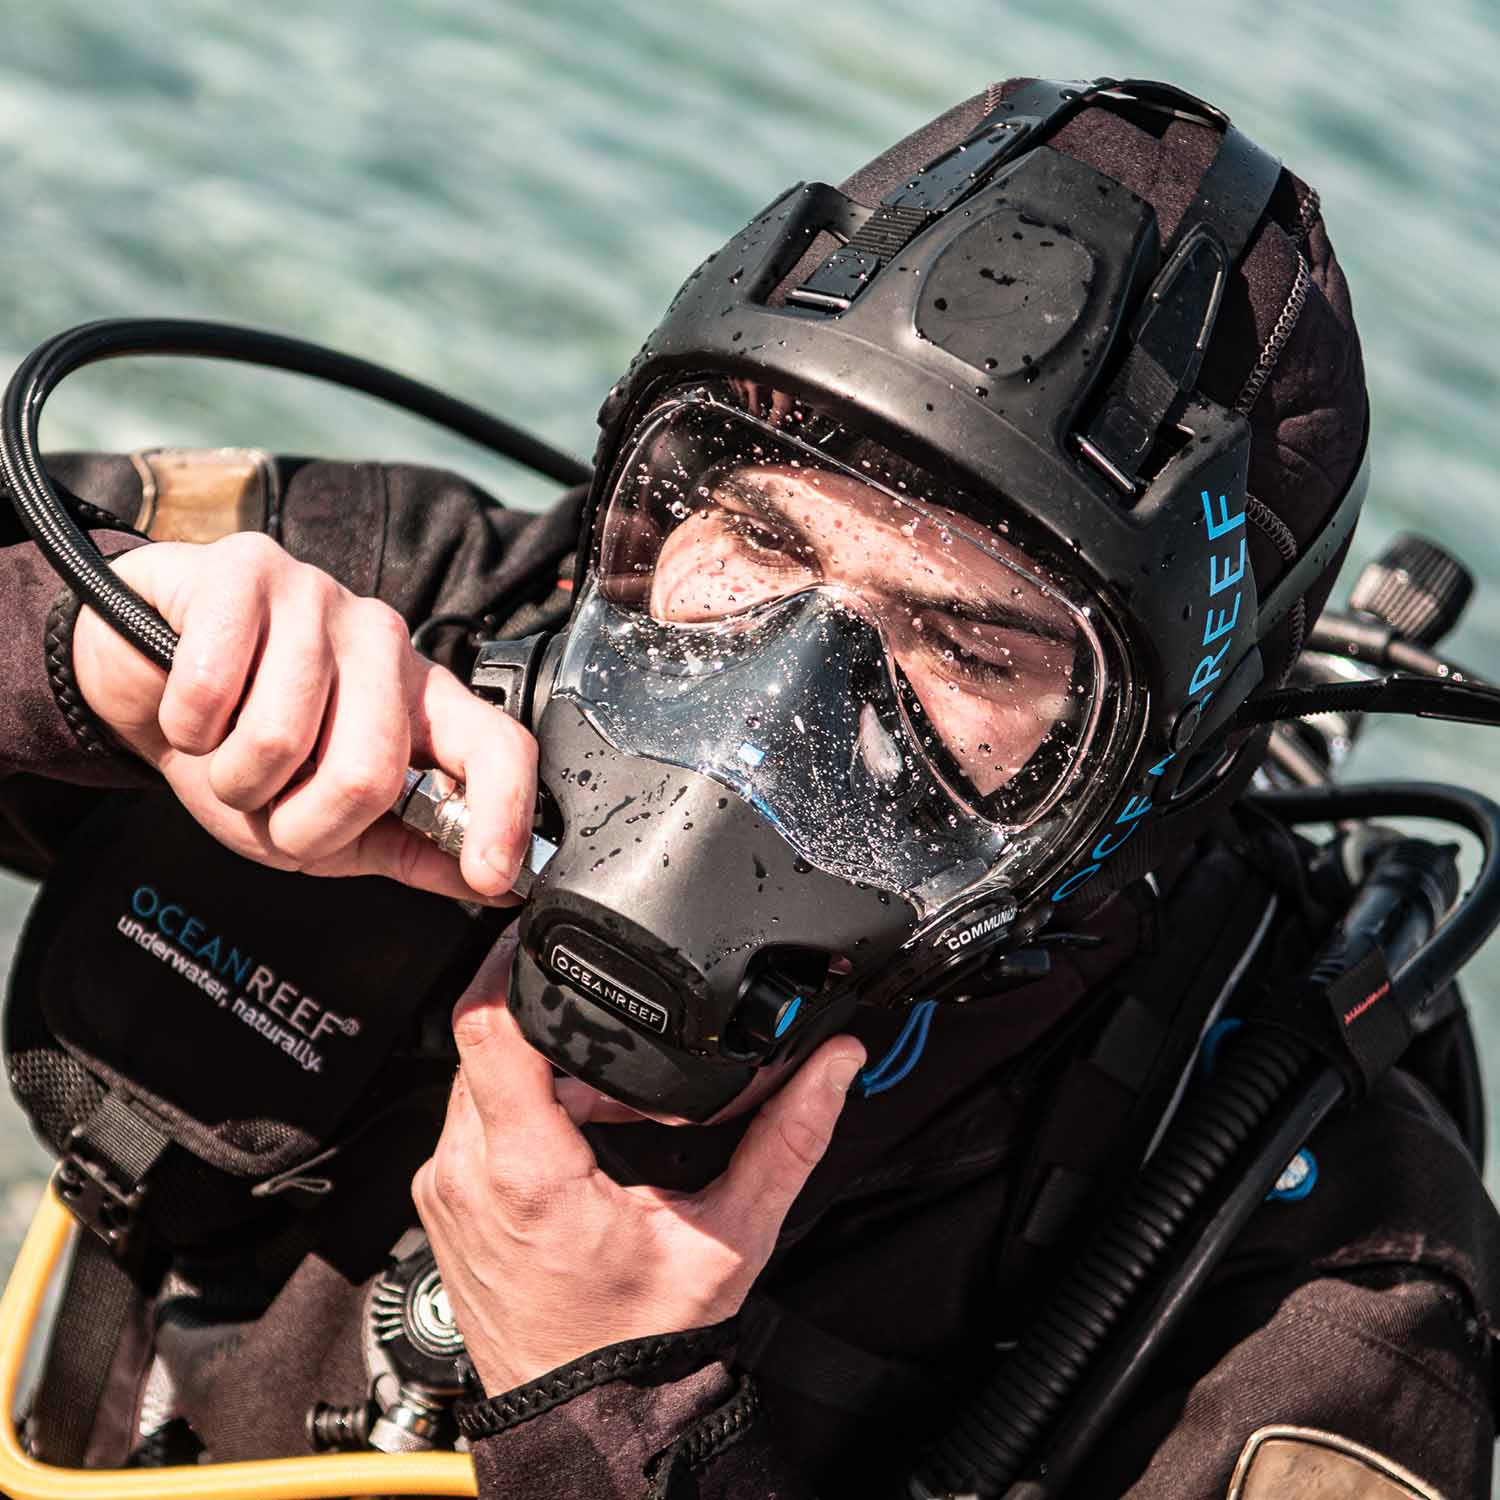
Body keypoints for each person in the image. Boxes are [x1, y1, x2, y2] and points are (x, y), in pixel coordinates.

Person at [2, 75, 1497, 1499]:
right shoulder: (420, 633)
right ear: (646, 506)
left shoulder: (1319, 1273)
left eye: (972, 648)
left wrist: (613, 1408)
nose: (777, 712)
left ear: (1144, 782)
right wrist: (99, 654)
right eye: (763, 541)